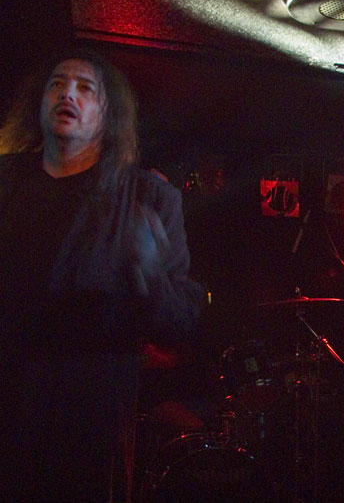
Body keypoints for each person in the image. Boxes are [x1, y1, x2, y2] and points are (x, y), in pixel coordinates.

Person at [0, 48, 204, 501]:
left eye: (84, 88)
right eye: (57, 84)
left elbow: (181, 322)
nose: (66, 94)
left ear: (107, 113)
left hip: (86, 416)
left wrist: (150, 274)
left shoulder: (148, 197)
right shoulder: (6, 181)